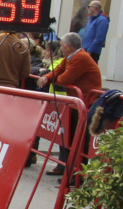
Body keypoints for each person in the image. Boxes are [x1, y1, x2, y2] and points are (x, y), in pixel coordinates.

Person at [37, 33, 103, 176]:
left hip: (85, 103)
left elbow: (64, 78)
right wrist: (47, 78)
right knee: (66, 134)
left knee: (77, 138)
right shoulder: (71, 57)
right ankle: (64, 166)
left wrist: (50, 78)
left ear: (68, 46)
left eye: (62, 45)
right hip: (75, 102)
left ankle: (75, 172)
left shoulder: (80, 58)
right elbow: (59, 71)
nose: (60, 48)